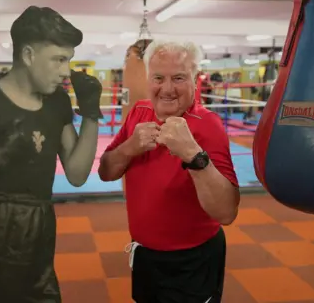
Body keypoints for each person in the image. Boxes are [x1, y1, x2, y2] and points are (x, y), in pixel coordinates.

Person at [0, 6, 102, 303]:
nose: (66, 71)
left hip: (41, 220)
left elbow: (77, 175)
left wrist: (90, 114)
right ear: (28, 56)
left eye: (69, 60)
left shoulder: (57, 102)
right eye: (59, 59)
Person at [98, 40, 240, 303]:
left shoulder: (209, 125)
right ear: (148, 78)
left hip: (192, 261)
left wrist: (194, 157)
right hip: (144, 255)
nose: (167, 89)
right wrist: (130, 147)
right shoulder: (138, 113)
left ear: (195, 80)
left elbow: (227, 212)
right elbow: (106, 171)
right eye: (158, 78)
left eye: (178, 78)